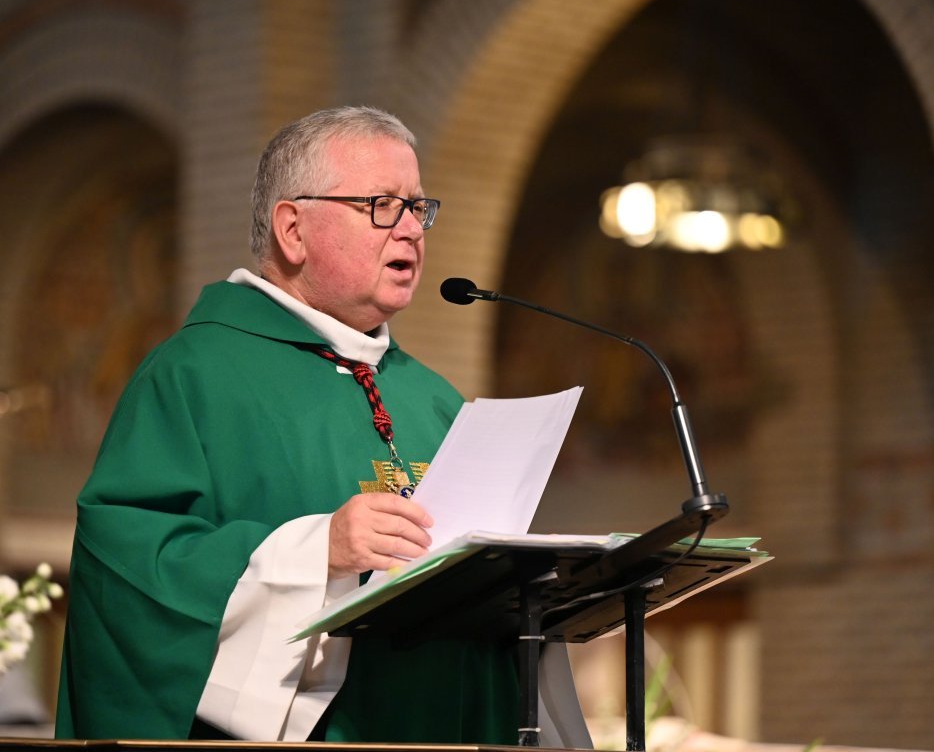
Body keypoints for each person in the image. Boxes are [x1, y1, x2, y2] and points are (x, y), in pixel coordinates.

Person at [54, 106, 588, 745]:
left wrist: (524, 566)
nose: (412, 231)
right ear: (293, 230)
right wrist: (320, 552)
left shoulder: (432, 397)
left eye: (419, 208)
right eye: (382, 205)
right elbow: (129, 573)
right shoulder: (194, 375)